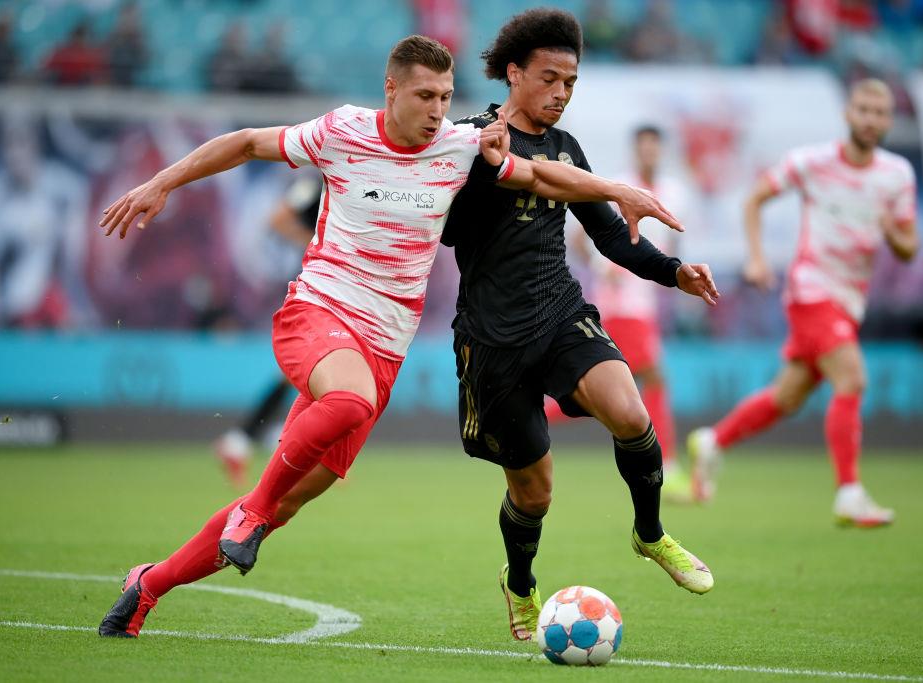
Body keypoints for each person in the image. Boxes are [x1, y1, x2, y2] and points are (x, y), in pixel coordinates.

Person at [97, 34, 682, 639]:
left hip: (383, 348)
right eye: (425, 96)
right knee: (339, 412)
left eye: (446, 97)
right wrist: (162, 182)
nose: (437, 109)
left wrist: (617, 190)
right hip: (320, 310)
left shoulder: (461, 146)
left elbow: (539, 176)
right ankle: (251, 512)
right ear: (391, 89)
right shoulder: (342, 131)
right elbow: (246, 142)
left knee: (287, 502)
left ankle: (149, 584)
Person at [440, 8, 719, 643]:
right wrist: (486, 171)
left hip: (561, 314)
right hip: (492, 340)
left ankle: (650, 534)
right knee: (535, 494)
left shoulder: (567, 149)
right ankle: (519, 582)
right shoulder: (471, 138)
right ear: (514, 73)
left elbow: (612, 239)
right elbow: (451, 232)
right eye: (550, 78)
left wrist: (675, 272)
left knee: (631, 411)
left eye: (570, 82)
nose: (561, 92)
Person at [687, 78, 919, 527]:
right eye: (864, 110)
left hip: (850, 299)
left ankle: (712, 441)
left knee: (787, 396)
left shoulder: (897, 176)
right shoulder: (813, 162)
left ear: (889, 120)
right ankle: (849, 493)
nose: (870, 120)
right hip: (812, 289)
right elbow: (755, 198)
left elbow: (910, 247)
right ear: (848, 114)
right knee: (851, 378)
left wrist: (892, 231)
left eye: (880, 113)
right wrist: (757, 257)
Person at [546, 125, 695, 503]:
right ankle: (668, 467)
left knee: (600, 392)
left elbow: (671, 244)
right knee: (652, 379)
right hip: (620, 304)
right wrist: (603, 267)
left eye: (654, 147)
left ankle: (527, 418)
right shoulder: (621, 188)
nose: (648, 153)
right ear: (635, 151)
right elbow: (580, 238)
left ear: (661, 151)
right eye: (643, 147)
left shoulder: (674, 193)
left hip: (644, 304)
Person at [214, 173, 323, 488]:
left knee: (304, 372)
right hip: (315, 287)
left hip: (333, 287)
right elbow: (277, 219)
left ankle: (252, 440)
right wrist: (320, 245)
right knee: (311, 368)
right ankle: (261, 440)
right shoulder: (314, 184)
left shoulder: (352, 179)